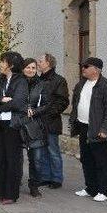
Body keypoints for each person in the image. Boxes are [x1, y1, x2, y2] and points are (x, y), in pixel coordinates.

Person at [69, 57, 107, 202]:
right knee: (86, 159)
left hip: (98, 129)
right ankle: (91, 188)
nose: (83, 68)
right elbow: (76, 103)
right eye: (82, 66)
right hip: (83, 126)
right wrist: (74, 120)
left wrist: (106, 130)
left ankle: (104, 191)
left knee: (102, 161)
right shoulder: (81, 83)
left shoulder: (106, 86)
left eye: (86, 66)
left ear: (96, 69)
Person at [0, 51, 28, 204]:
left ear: (10, 65)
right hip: (0, 124)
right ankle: (0, 192)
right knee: (0, 158)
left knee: (12, 159)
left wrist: (0, 106)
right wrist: (2, 99)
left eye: (3, 61)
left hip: (13, 124)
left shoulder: (21, 81)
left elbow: (18, 102)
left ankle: (11, 194)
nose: (0, 64)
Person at [36, 53, 69, 189]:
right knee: (42, 149)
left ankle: (56, 178)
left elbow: (63, 101)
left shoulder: (59, 80)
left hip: (51, 121)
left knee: (53, 150)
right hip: (38, 121)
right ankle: (45, 176)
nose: (38, 63)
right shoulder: (38, 80)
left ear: (48, 63)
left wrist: (49, 114)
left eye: (40, 60)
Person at [21, 58, 49, 197]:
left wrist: (35, 111)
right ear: (22, 68)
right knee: (15, 157)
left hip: (34, 125)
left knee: (36, 159)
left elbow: (46, 104)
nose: (30, 70)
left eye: (33, 68)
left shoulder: (42, 84)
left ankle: (34, 185)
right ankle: (12, 181)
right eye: (28, 67)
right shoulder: (17, 83)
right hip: (18, 124)